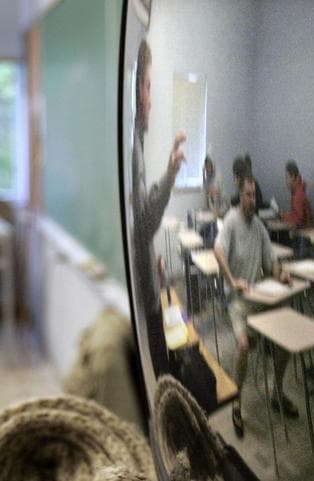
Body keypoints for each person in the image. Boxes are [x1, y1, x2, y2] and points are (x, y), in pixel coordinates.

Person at [214, 175, 294, 438]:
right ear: (240, 194)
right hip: (238, 302)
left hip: (259, 300)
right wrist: (232, 280)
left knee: (286, 341)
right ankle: (236, 400)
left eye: (254, 196)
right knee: (244, 346)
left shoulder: (259, 225)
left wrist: (280, 273)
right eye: (248, 195)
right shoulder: (231, 221)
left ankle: (277, 392)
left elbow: (271, 260)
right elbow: (218, 251)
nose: (252, 200)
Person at [130, 38, 186, 377]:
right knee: (163, 377)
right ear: (136, 89)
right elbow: (142, 224)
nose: (151, 99)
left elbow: (141, 226)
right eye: (148, 86)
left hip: (150, 282)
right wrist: (170, 175)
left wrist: (153, 260)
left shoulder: (134, 141)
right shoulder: (133, 147)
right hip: (144, 301)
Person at [279, 160, 312, 228]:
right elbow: (296, 215)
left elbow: (297, 220)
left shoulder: (298, 195)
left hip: (304, 232)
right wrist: (286, 215)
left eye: (287, 177)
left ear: (293, 177)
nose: (286, 181)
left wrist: (283, 216)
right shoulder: (298, 190)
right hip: (305, 229)